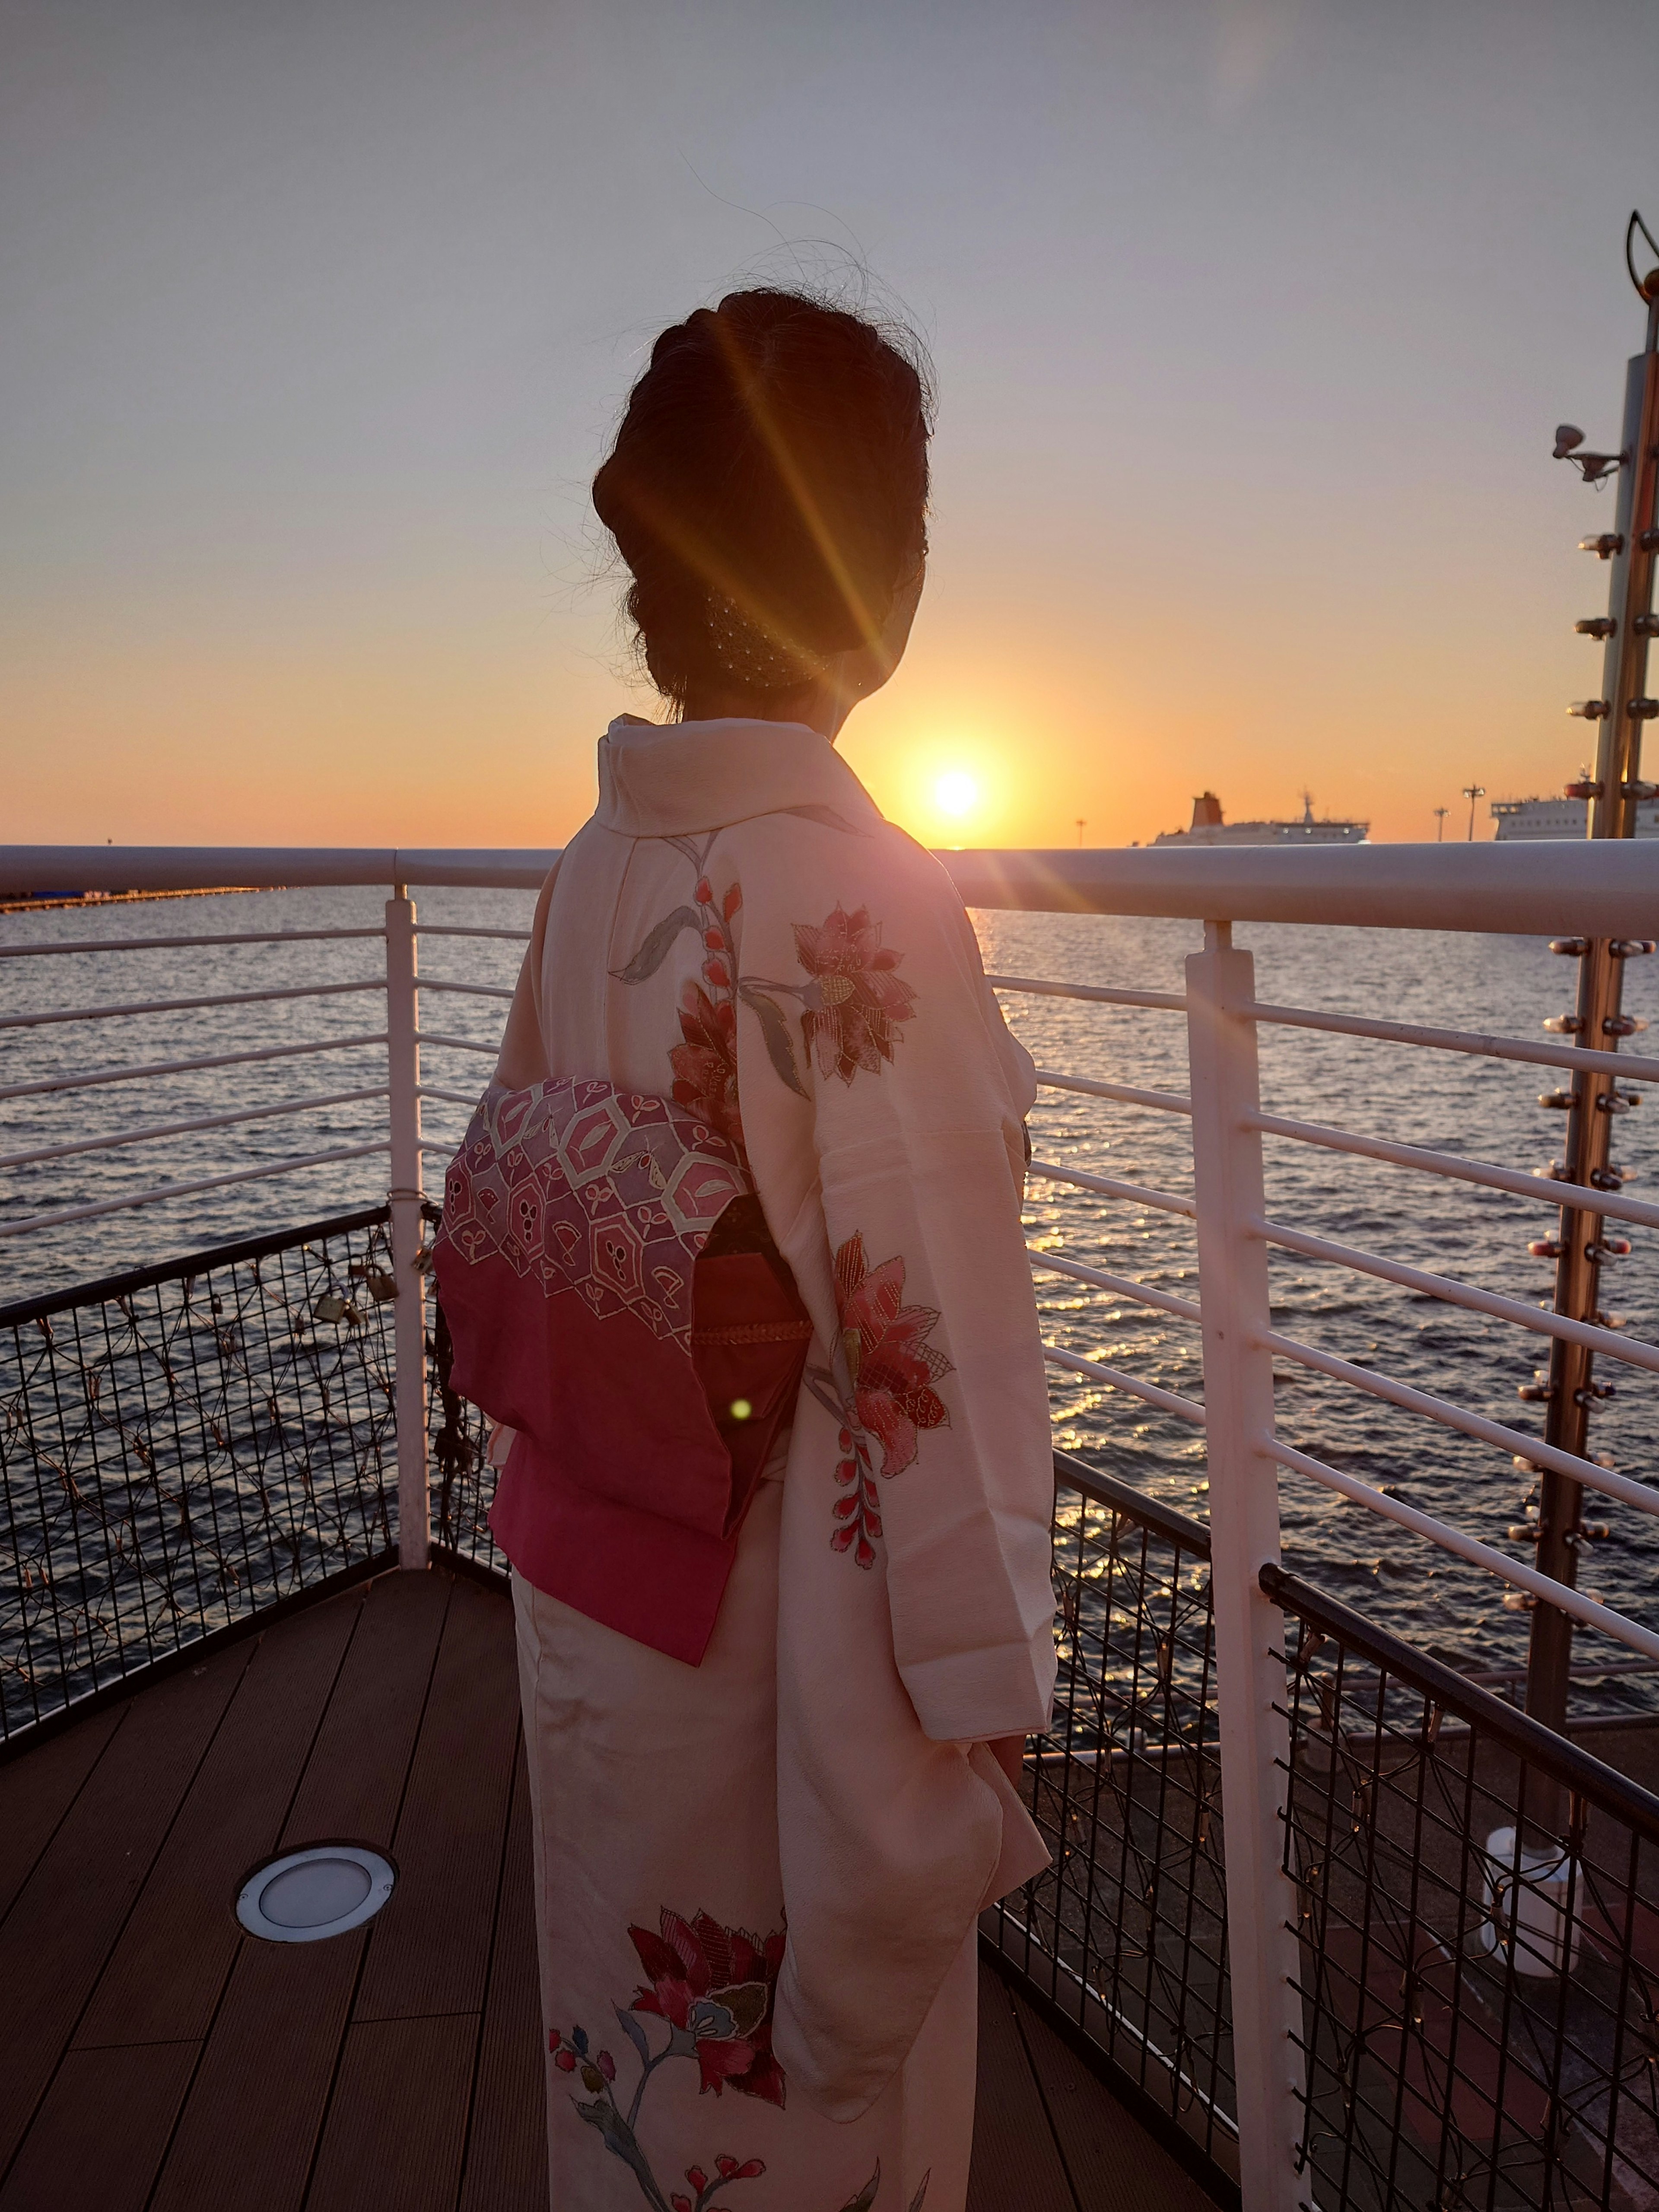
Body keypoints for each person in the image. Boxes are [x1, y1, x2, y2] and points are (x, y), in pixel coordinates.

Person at [436, 288, 1057, 2212]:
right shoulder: (855, 897)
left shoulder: (596, 859)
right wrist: (933, 1789)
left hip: (610, 1635)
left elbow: (524, 1214)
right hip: (786, 1699)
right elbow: (933, 1407)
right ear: (885, 583)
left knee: (638, 2106)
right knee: (805, 2128)